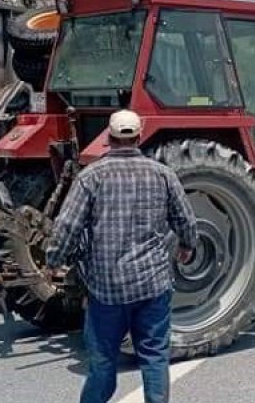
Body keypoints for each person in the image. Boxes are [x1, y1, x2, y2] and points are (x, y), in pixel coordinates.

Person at [45, 110, 198, 403]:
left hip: (107, 290)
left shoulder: (91, 177)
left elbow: (67, 225)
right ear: (139, 137)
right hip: (153, 286)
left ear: (109, 138)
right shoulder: (162, 174)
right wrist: (187, 245)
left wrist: (54, 260)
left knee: (103, 363)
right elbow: (186, 220)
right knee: (154, 357)